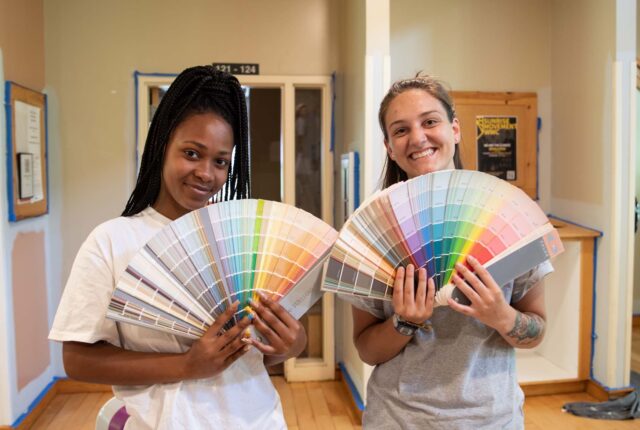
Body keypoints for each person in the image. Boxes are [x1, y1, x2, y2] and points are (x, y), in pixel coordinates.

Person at [49, 66, 306, 429]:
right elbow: (77, 359)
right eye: (191, 153)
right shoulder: (112, 241)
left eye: (220, 161)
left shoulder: (244, 240)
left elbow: (257, 356)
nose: (206, 173)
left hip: (260, 420)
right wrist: (186, 366)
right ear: (161, 145)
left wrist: (291, 345)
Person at [349, 75, 552, 429]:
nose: (417, 138)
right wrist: (404, 322)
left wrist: (500, 315)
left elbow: (536, 330)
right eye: (400, 130)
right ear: (389, 146)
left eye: (430, 121)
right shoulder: (370, 229)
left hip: (493, 419)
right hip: (399, 419)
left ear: (455, 129)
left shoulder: (507, 213)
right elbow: (367, 349)